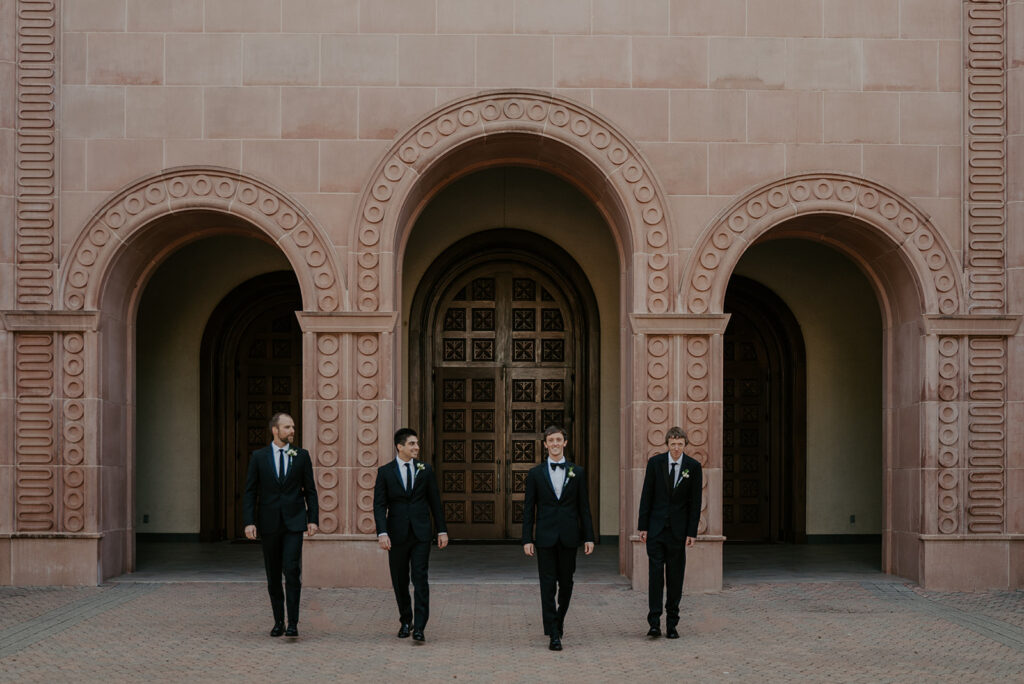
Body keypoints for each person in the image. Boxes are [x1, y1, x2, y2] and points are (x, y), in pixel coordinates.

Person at [243, 412, 319, 638]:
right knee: (273, 574)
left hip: (295, 522)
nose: (292, 431)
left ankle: (293, 622)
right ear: (275, 430)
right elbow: (250, 492)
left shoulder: (302, 456)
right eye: (287, 427)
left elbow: (311, 491)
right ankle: (278, 621)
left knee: (292, 570)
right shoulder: (259, 457)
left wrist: (312, 519)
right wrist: (249, 522)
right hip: (269, 523)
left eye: (293, 427)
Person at [521, 425, 595, 651]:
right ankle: (553, 632)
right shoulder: (535, 474)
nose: (554, 443)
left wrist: (589, 537)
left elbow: (584, 507)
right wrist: (527, 539)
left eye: (558, 440)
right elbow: (528, 509)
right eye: (550, 440)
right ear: (545, 444)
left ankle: (559, 619)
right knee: (546, 585)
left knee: (567, 583)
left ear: (565, 443)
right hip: (544, 537)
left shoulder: (577, 472)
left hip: (569, 537)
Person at [374, 428, 448, 642]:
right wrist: (382, 532)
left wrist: (441, 530)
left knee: (420, 577)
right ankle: (406, 620)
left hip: (421, 533)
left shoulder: (425, 470)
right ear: (400, 446)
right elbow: (379, 505)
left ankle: (420, 627)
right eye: (412, 444)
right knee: (399, 579)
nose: (417, 447)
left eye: (417, 444)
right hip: (396, 534)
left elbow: (435, 501)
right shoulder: (385, 472)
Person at [636, 426, 702, 639]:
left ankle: (672, 624)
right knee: (655, 577)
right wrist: (643, 526)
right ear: (667, 445)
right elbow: (647, 495)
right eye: (672, 444)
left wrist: (692, 532)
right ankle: (654, 623)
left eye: (679, 445)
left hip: (678, 532)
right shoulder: (655, 464)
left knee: (675, 578)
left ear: (685, 445)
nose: (675, 448)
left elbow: (695, 502)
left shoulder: (693, 467)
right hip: (655, 530)